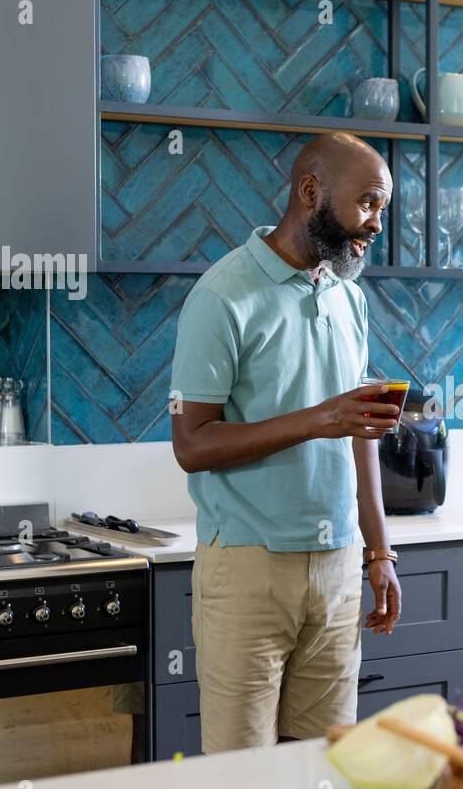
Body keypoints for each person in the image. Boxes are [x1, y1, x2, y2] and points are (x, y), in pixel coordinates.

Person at [168, 132, 404, 751]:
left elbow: (357, 432)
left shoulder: (349, 298)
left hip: (337, 567)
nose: (377, 224)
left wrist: (379, 551)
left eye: (382, 208)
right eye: (368, 204)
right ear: (310, 192)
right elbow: (191, 443)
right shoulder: (221, 296)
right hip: (249, 567)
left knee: (325, 771)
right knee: (242, 783)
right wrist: (319, 418)